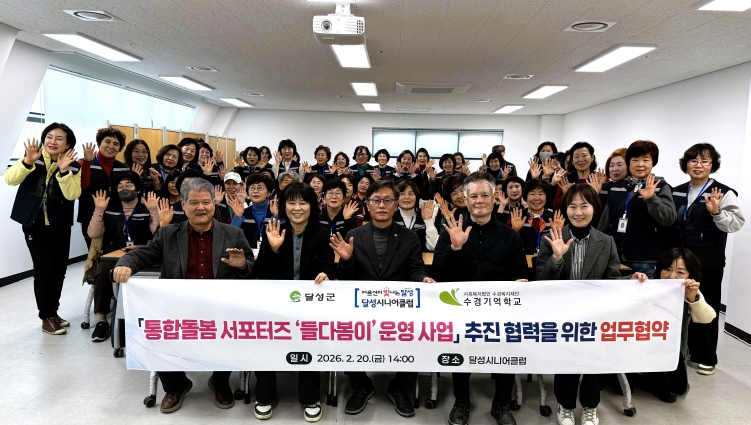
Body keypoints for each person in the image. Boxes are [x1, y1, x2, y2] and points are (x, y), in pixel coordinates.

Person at [113, 178, 254, 414]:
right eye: (194, 202)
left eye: (206, 202)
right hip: (175, 309)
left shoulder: (233, 234)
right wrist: (124, 263)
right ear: (184, 205)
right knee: (156, 329)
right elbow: (143, 254)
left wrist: (242, 265)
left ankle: (220, 382)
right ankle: (176, 385)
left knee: (233, 328)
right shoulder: (169, 234)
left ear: (214, 204)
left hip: (219, 308)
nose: (201, 207)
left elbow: (251, 266)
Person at [536, 184, 647, 425]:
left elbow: (612, 281)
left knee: (594, 362)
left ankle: (590, 407)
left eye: (584, 206)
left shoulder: (606, 241)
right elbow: (540, 282)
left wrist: (631, 279)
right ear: (565, 210)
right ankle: (565, 406)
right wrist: (557, 258)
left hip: (595, 315)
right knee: (567, 363)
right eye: (572, 206)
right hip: (562, 316)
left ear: (594, 209)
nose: (578, 212)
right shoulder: (553, 237)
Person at [330, 179, 435, 418]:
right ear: (367, 204)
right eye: (376, 200)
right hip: (361, 308)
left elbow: (416, 269)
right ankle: (361, 385)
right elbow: (344, 280)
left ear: (396, 205)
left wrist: (423, 279)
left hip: (398, 307)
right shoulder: (354, 235)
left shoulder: (409, 237)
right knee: (344, 330)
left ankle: (400, 387)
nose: (382, 205)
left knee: (417, 331)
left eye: (388, 200)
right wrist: (346, 260)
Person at [432, 172, 528, 425]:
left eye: (485, 195)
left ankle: (502, 403)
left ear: (495, 197)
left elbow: (520, 274)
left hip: (500, 311)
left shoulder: (511, 236)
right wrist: (455, 248)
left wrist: (519, 284)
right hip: (460, 310)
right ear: (465, 199)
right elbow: (439, 275)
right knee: (460, 353)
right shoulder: (451, 231)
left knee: (506, 352)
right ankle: (461, 400)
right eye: (473, 196)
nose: (479, 200)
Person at [253, 183, 335, 422]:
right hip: (276, 305)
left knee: (310, 340)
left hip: (309, 305)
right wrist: (273, 249)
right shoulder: (274, 229)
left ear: (312, 206)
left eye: (303, 202)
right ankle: (264, 395)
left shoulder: (322, 234)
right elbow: (260, 273)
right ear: (283, 207)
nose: (297, 208)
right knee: (264, 339)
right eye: (291, 202)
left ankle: (310, 397)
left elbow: (328, 264)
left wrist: (326, 274)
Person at [670, 143, 744, 376]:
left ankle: (706, 357)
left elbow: (736, 223)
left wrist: (716, 212)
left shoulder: (723, 192)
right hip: (678, 262)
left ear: (713, 165)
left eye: (705, 161)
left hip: (708, 262)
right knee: (676, 308)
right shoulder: (676, 191)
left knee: (705, 308)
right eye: (693, 160)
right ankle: (682, 351)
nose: (698, 165)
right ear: (686, 164)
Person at [5, 123, 81, 335]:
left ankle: (53, 312)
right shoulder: (33, 157)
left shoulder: (74, 165)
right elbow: (10, 179)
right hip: (34, 223)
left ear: (68, 144)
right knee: (44, 269)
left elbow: (73, 194)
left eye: (59, 138)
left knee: (59, 270)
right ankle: (46, 317)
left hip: (60, 224)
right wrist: (27, 162)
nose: (52, 141)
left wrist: (64, 171)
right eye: (49, 136)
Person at [86, 171, 160, 342]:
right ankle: (102, 320)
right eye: (120, 186)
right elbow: (93, 234)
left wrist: (154, 211)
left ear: (138, 189)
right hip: (112, 255)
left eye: (129, 185)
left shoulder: (145, 208)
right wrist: (99, 210)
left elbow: (157, 234)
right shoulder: (109, 208)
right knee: (102, 274)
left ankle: (145, 316)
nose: (124, 189)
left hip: (140, 255)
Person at [644, 248, 716, 402]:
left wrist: (693, 299)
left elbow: (707, 318)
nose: (672, 276)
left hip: (671, 351)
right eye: (667, 269)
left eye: (680, 272)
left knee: (679, 388)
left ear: (690, 275)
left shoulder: (688, 291)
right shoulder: (648, 286)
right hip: (644, 347)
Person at [598, 140, 677, 278]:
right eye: (635, 160)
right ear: (629, 163)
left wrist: (652, 199)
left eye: (646, 160)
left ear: (653, 163)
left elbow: (669, 219)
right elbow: (605, 221)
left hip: (645, 260)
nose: (640, 164)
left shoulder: (660, 186)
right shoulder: (618, 186)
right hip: (615, 256)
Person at [78, 126, 129, 248]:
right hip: (90, 215)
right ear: (99, 143)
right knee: (93, 251)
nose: (111, 146)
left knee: (113, 250)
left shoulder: (123, 168)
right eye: (107, 141)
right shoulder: (84, 163)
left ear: (120, 148)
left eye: (116, 144)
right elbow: (81, 186)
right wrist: (86, 163)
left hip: (115, 217)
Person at [229, 173, 275, 249]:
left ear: (269, 193)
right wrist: (238, 216)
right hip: (247, 254)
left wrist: (276, 216)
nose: (255, 191)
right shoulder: (243, 212)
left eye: (260, 188)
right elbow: (230, 236)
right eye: (252, 188)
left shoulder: (274, 212)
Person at [508, 179, 555, 255]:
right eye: (532, 194)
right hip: (522, 260)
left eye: (541, 194)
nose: (536, 198)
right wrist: (515, 230)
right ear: (525, 197)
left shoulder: (554, 218)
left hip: (548, 260)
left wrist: (557, 231)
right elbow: (507, 245)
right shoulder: (516, 217)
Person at [394, 180, 439, 251]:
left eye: (411, 194)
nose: (407, 197)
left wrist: (428, 221)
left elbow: (433, 247)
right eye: (402, 194)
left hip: (420, 257)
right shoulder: (391, 219)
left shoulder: (424, 217)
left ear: (417, 197)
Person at [553, 142, 599, 210]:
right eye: (576, 156)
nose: (580, 160)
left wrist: (594, 193)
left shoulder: (600, 179)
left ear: (592, 157)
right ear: (572, 161)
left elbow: (606, 206)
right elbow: (556, 207)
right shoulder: (566, 180)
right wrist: (567, 195)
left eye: (584, 155)